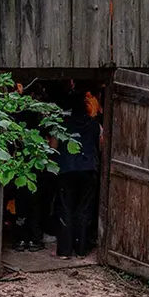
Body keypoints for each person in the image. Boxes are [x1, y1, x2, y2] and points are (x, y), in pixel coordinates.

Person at [53, 86, 101, 258]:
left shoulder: (61, 125)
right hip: (88, 169)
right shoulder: (95, 125)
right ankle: (81, 249)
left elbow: (53, 146)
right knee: (84, 208)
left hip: (66, 169)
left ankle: (64, 251)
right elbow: (101, 145)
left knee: (65, 208)